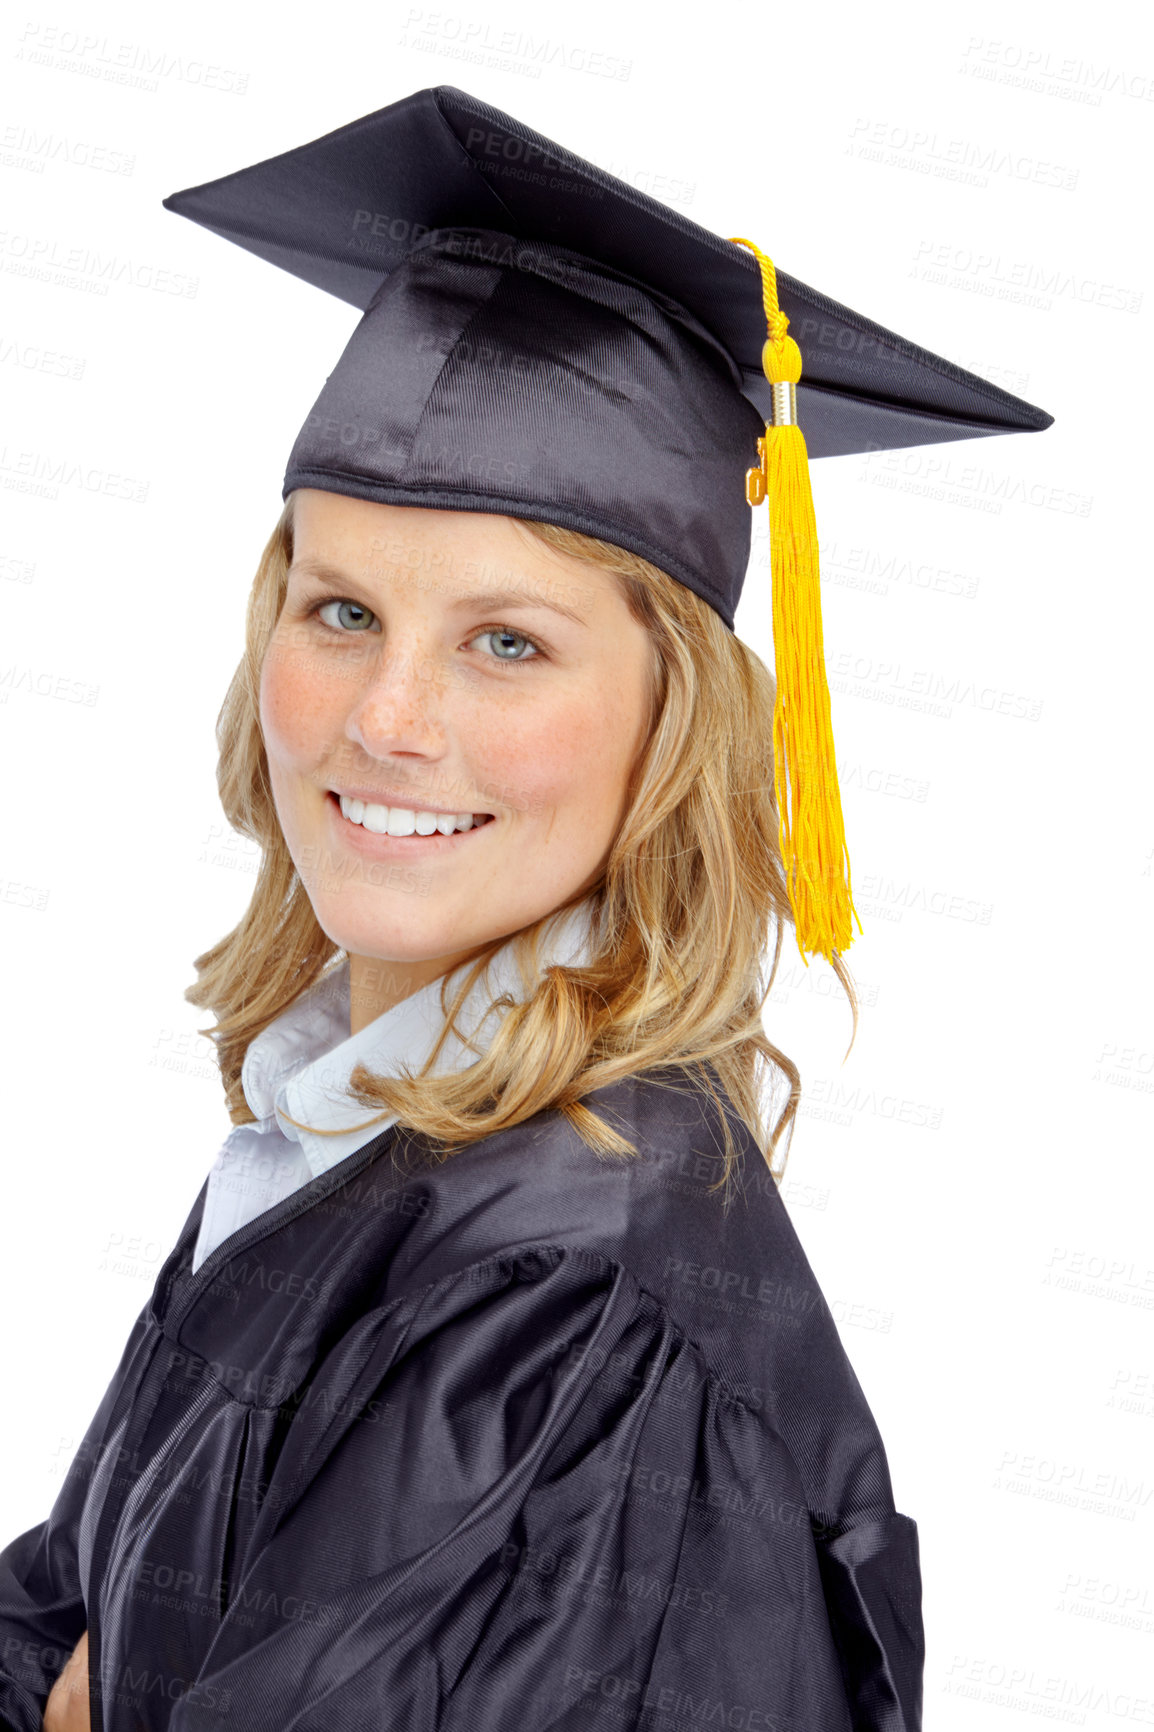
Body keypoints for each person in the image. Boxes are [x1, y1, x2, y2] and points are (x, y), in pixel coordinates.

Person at [1, 84, 1053, 1732]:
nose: (387, 721)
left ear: (671, 727)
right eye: (340, 609)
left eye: (508, 642)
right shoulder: (355, 1129)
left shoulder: (568, 1302)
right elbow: (71, 1617)